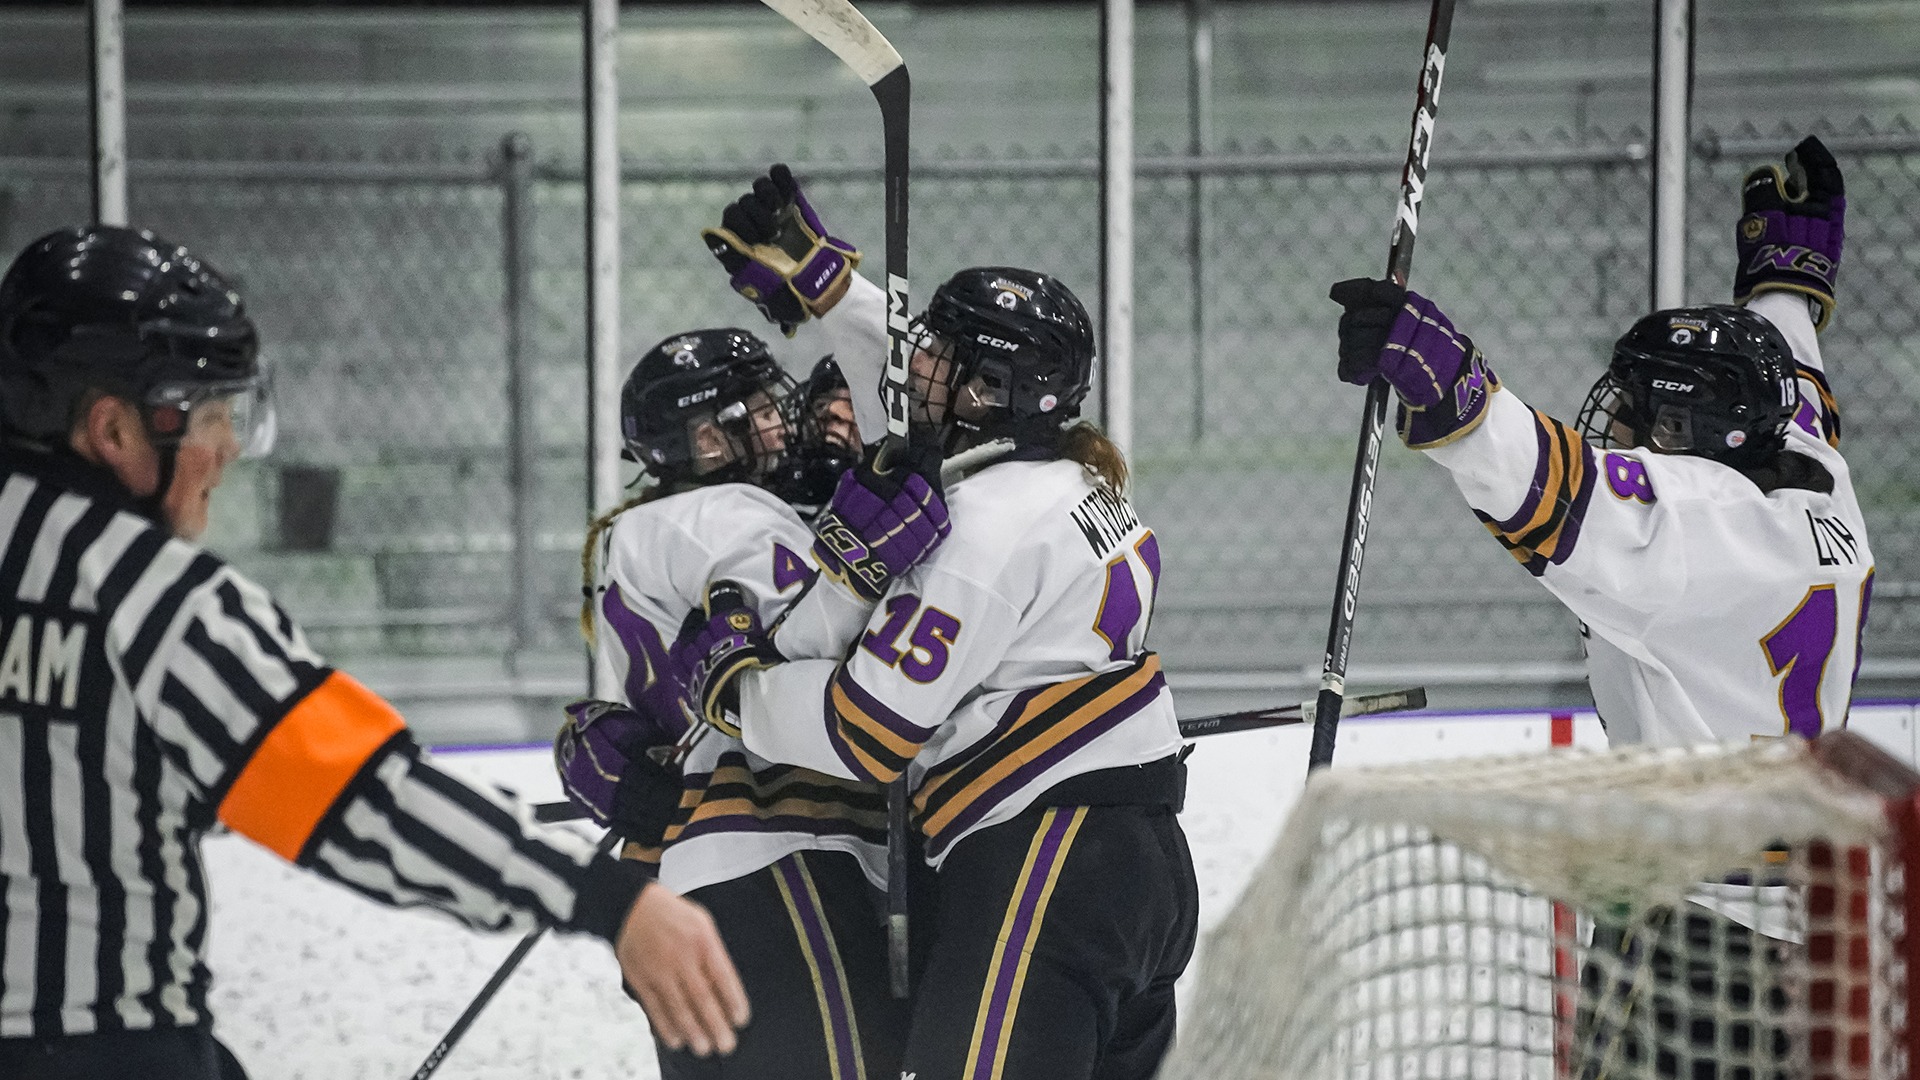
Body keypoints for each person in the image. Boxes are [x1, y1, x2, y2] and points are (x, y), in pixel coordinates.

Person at [0, 225, 748, 1079]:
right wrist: (605, 900)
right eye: (211, 413)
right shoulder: (150, 602)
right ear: (113, 429)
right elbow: (363, 802)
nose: (230, 448)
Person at [1329, 136, 1868, 1079]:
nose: (1613, 427)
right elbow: (1799, 383)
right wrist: (1785, 282)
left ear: (1691, 437)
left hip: (1699, 943)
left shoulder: (1695, 541)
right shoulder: (1819, 479)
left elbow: (1546, 483)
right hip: (1805, 927)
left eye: (1636, 416)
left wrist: (1445, 376)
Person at [690, 170, 1201, 1080]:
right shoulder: (1081, 484)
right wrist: (832, 291)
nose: (916, 367)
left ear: (987, 391)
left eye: (942, 360)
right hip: (1141, 868)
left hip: (1047, 860)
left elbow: (868, 732)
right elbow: (909, 382)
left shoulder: (976, 532)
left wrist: (742, 694)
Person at [554, 325, 933, 1080]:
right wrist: (867, 553)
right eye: (757, 409)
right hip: (782, 853)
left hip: (684, 881)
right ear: (707, 439)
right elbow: (815, 651)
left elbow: (624, 729)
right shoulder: (724, 515)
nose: (779, 422)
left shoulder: (632, 538)